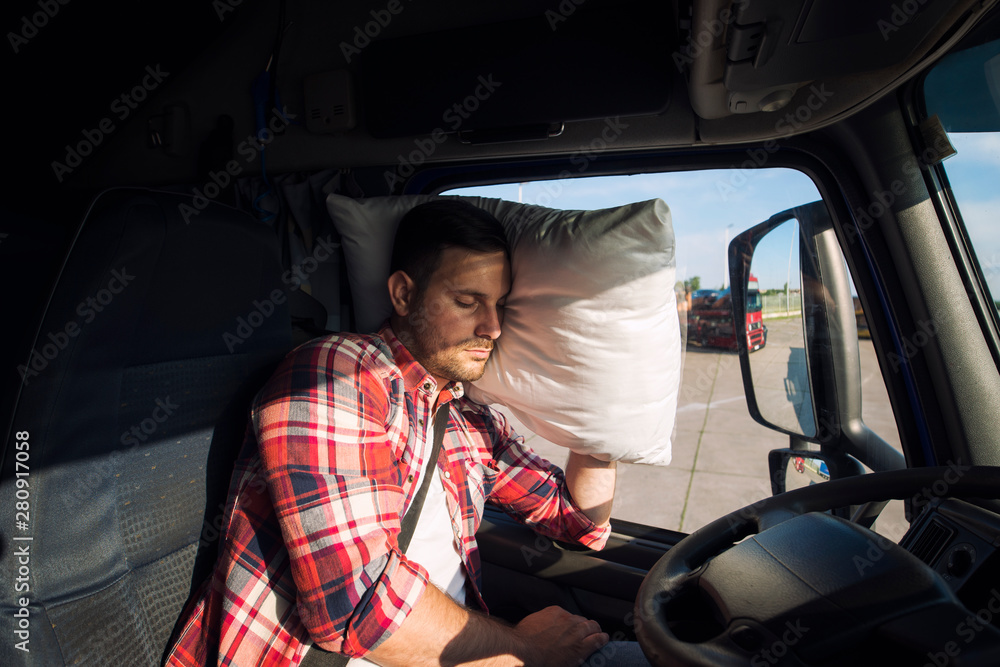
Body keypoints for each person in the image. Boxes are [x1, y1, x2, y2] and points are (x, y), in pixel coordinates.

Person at [165, 200, 647, 666]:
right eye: (467, 301)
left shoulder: (470, 422)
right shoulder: (339, 374)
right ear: (403, 294)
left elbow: (581, 524)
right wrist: (528, 650)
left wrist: (599, 418)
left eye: (499, 305)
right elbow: (354, 611)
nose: (494, 327)